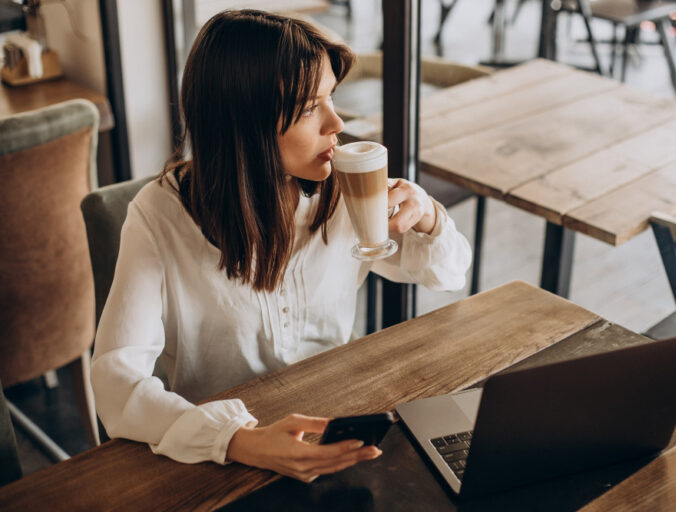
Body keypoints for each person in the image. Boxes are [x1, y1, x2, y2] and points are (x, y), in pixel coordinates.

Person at [91, 9, 471, 483]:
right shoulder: (161, 215)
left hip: (339, 436)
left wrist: (429, 215)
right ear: (245, 122)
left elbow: (448, 273)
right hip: (220, 460)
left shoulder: (345, 190)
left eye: (332, 98)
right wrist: (238, 440)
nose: (337, 123)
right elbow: (115, 382)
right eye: (311, 108)